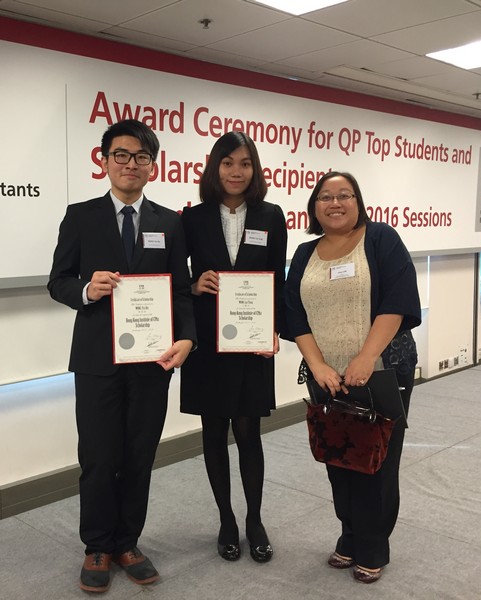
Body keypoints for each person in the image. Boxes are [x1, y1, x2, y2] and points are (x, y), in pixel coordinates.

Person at [48, 119, 197, 593]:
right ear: (105, 160)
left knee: (139, 454)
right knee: (97, 455)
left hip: (153, 362)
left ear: (153, 166)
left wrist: (188, 339)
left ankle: (127, 541)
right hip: (96, 360)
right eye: (122, 155)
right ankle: (96, 545)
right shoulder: (81, 216)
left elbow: (181, 292)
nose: (131, 164)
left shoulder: (169, 222)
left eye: (141, 157)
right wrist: (87, 290)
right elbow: (57, 281)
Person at [283, 171, 421, 583]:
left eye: (344, 195)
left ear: (358, 201)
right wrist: (319, 365)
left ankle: (374, 543)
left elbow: (396, 301)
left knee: (378, 459)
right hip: (326, 377)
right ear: (314, 206)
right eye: (325, 196)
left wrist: (365, 357)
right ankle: (349, 534)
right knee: (339, 457)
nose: (335, 202)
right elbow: (293, 314)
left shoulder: (381, 239)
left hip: (380, 370)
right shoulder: (306, 253)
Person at [180, 132, 287, 563]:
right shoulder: (192, 218)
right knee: (212, 433)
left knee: (248, 434)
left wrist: (274, 330)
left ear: (254, 169)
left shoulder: (271, 215)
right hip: (207, 344)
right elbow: (173, 280)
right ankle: (225, 519)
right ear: (214, 167)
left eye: (244, 163)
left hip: (251, 345)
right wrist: (192, 283)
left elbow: (277, 280)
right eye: (228, 163)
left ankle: (254, 519)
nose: (236, 172)